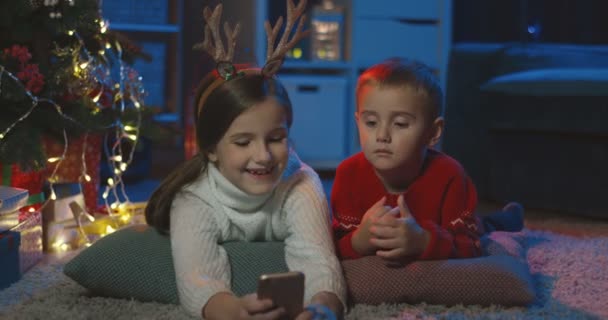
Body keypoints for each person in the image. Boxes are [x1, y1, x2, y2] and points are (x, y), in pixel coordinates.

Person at [331, 58, 523, 261]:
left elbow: (471, 244)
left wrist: (423, 241)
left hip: (453, 222)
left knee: (485, 226)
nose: (382, 135)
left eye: (400, 123)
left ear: (433, 132)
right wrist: (357, 241)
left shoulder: (450, 175)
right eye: (370, 122)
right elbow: (329, 246)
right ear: (358, 121)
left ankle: (508, 218)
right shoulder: (348, 174)